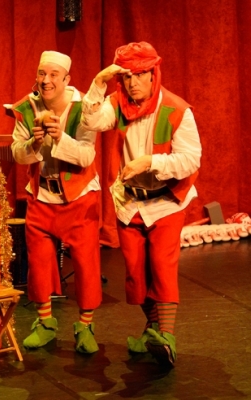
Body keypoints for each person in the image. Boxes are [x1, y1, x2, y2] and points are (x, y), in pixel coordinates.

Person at [81, 42, 201, 367]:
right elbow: (91, 122)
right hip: (130, 202)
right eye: (126, 76)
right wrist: (98, 83)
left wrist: (150, 161)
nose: (132, 83)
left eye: (139, 75)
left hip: (166, 201)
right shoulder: (117, 104)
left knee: (161, 265)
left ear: (153, 74)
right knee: (136, 274)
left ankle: (167, 337)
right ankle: (153, 331)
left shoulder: (176, 110)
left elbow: (191, 160)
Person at [11, 51, 102, 353]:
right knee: (38, 263)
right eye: (42, 73)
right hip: (42, 195)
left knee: (86, 264)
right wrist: (34, 142)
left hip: (80, 196)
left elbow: (87, 156)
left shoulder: (84, 108)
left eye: (53, 75)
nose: (46, 80)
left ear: (66, 79)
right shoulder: (27, 107)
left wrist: (62, 138)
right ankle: (45, 323)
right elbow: (18, 153)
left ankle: (85, 326)